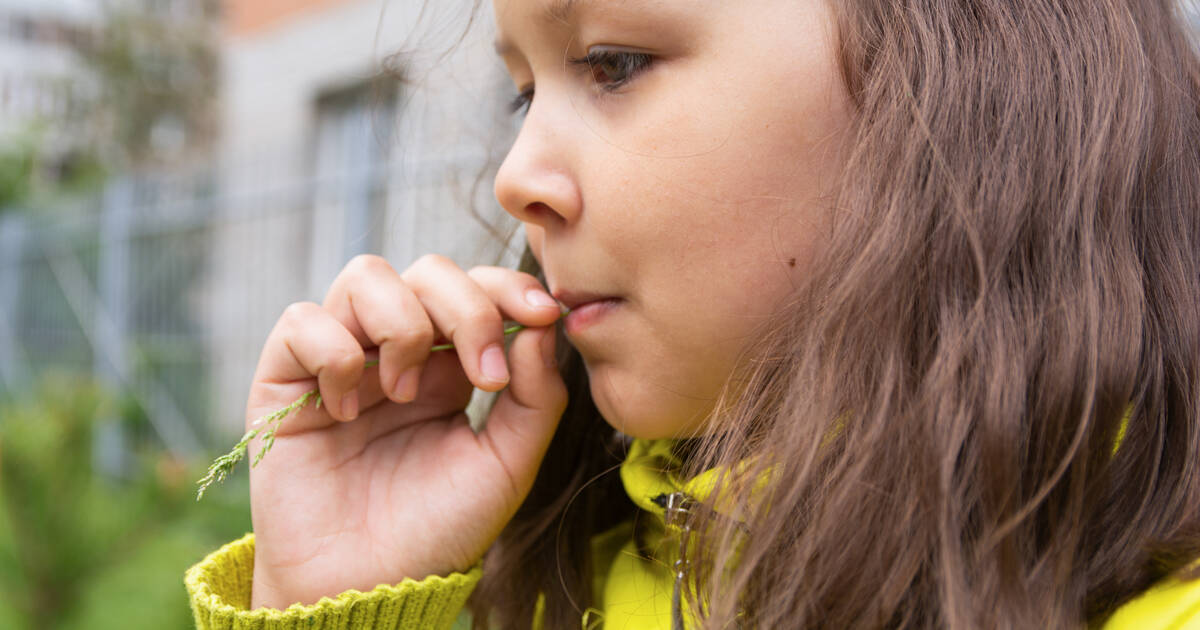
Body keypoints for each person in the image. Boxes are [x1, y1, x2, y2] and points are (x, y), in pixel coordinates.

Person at [185, 0, 1200, 628]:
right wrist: (329, 604)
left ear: (966, 85)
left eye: (613, 64)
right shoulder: (584, 568)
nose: (516, 178)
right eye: (521, 94)